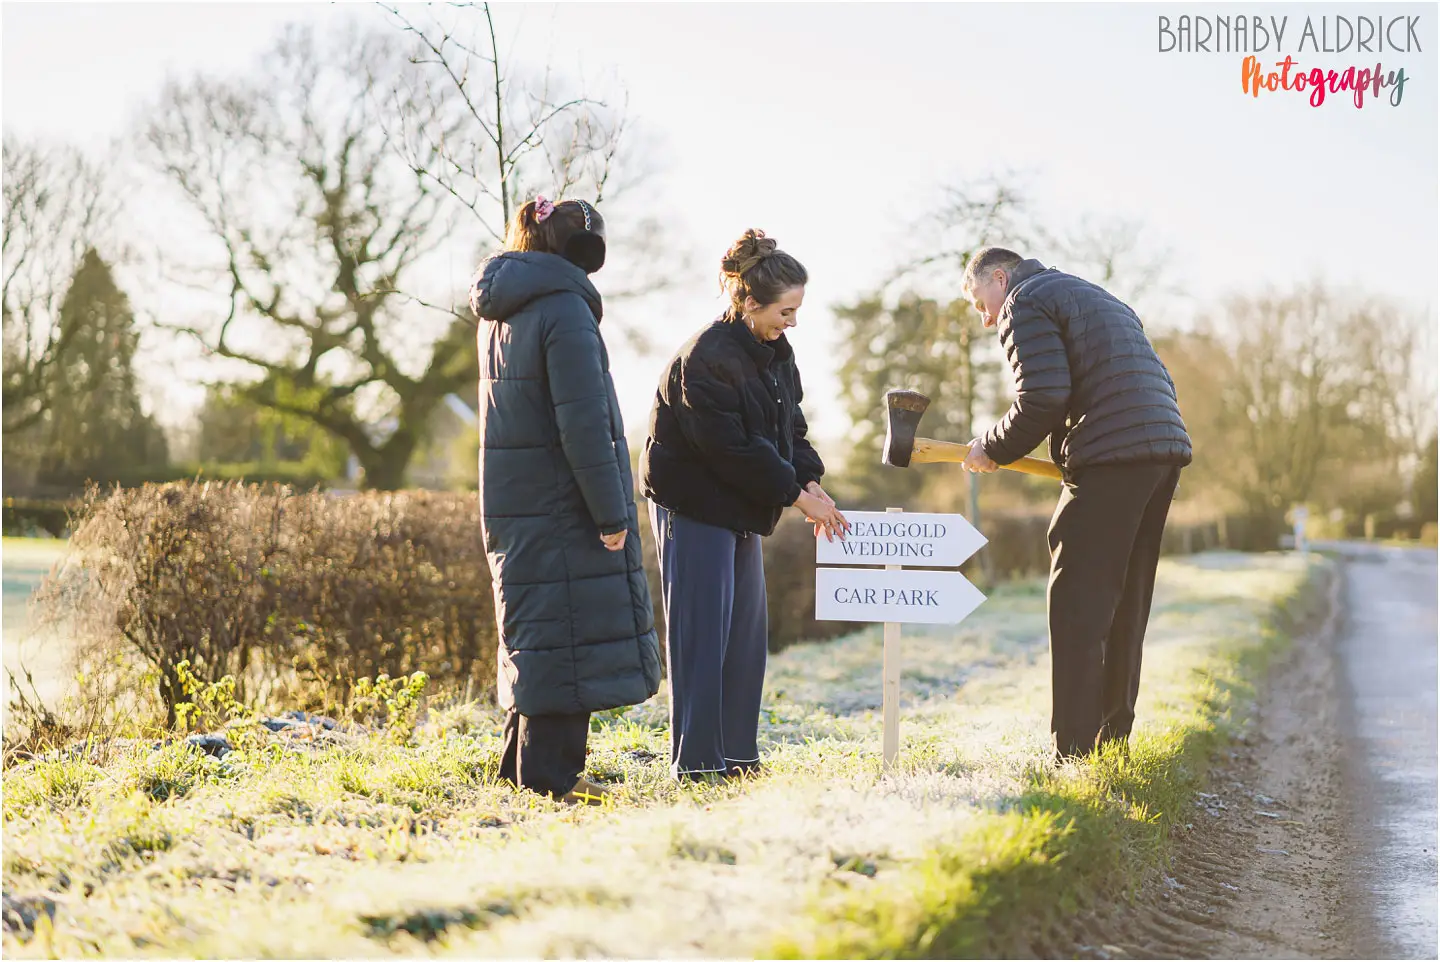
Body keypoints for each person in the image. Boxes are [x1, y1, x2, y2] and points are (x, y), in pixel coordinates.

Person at [959, 247, 1193, 760]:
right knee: (1126, 600)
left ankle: (1075, 754)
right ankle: (1112, 742)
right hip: (1161, 452)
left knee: (1077, 606)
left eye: (981, 302)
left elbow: (1043, 395)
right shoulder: (1095, 296)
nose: (985, 317)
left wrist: (991, 447)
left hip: (1112, 457)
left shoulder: (1025, 300)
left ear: (1000, 277)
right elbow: (1153, 382)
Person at [469, 196, 662, 804]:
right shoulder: (565, 312)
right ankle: (551, 781)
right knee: (568, 639)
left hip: (516, 501)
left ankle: (517, 771)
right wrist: (611, 513)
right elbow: (584, 425)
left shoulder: (502, 312)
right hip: (563, 502)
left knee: (539, 636)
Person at [640, 229, 849, 781]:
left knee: (746, 638)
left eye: (798, 309)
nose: (794, 321)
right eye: (787, 309)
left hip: (741, 504)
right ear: (749, 302)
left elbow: (789, 429)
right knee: (703, 635)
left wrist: (812, 481)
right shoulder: (706, 355)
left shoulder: (776, 353)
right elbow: (730, 448)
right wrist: (797, 497)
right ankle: (697, 765)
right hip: (693, 505)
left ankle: (737, 758)